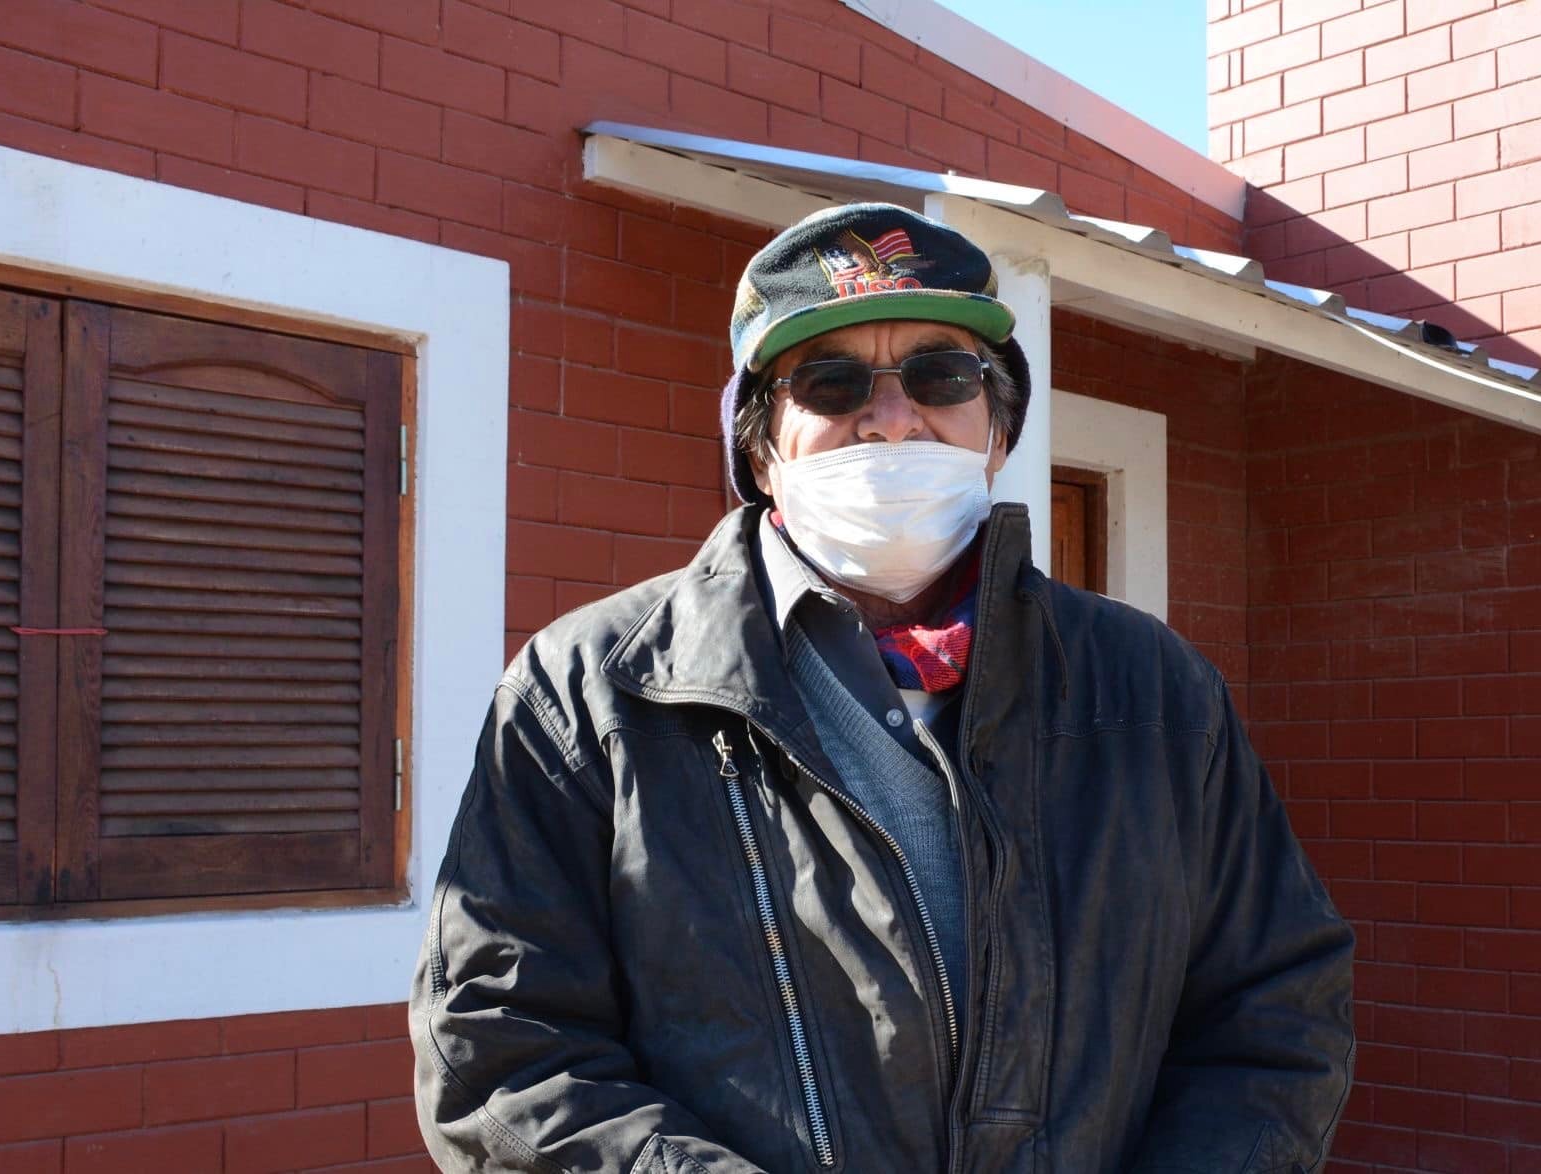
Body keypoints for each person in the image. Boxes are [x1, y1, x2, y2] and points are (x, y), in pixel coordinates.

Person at [411, 203, 1355, 1173]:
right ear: (758, 448)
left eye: (942, 377)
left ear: (996, 432)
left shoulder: (1153, 690)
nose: (892, 417)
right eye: (831, 383)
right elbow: (500, 1051)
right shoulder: (589, 689)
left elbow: (1275, 1010)